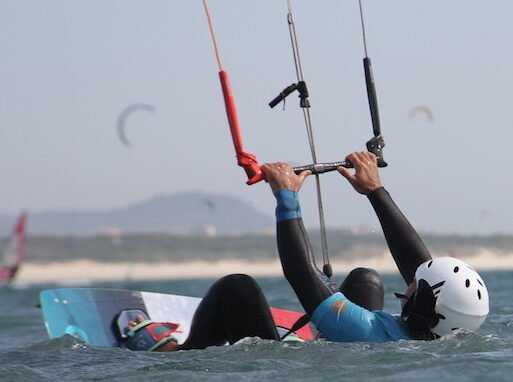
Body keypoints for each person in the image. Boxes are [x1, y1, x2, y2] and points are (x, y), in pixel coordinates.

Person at [124, 151, 489, 351]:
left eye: (416, 286)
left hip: (282, 367)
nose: (411, 282)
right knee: (366, 279)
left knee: (237, 287)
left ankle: (176, 355)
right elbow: (421, 271)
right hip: (347, 354)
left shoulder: (364, 330)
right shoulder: (437, 343)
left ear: (425, 305)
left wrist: (287, 196)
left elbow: (300, 274)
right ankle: (322, 334)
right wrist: (375, 191)